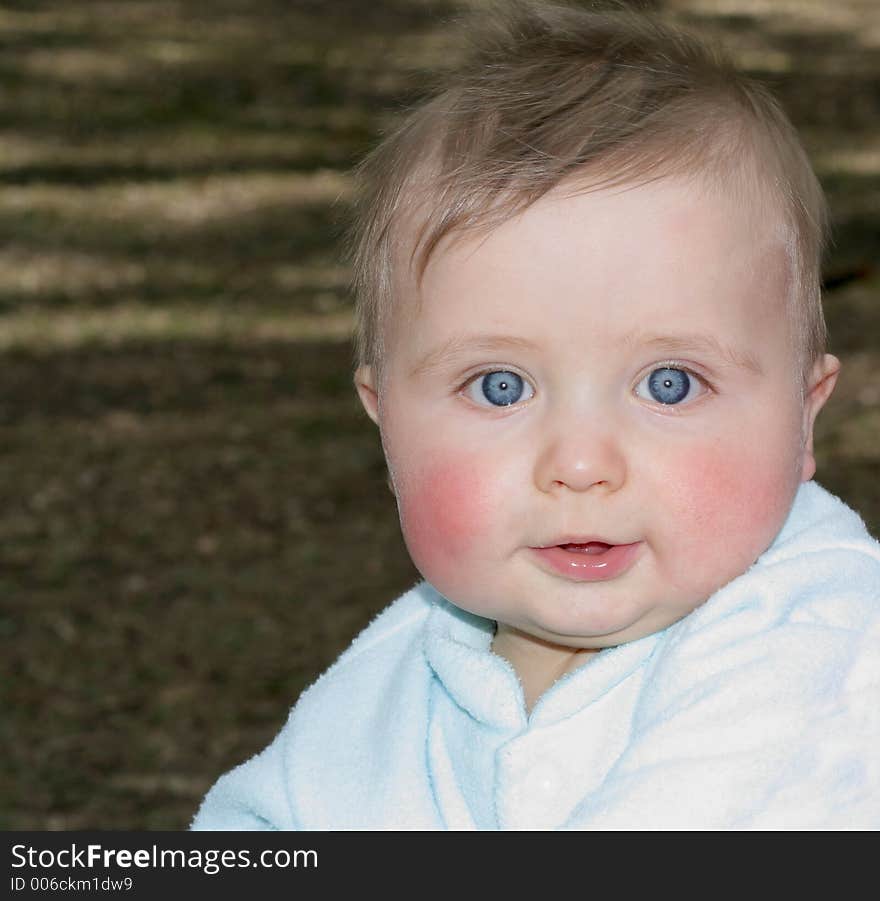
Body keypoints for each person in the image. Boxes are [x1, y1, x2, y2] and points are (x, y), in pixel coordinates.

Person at [191, 1, 880, 829]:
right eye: (499, 387)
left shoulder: (825, 647)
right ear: (386, 424)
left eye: (669, 383)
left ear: (803, 420)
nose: (582, 462)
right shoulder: (399, 671)